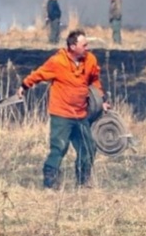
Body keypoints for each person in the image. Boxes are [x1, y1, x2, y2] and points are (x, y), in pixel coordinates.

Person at [16, 29, 107, 188]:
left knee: (89, 148)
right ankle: (50, 184)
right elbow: (39, 74)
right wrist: (24, 86)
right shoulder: (58, 62)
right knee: (59, 148)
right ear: (72, 46)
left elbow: (95, 81)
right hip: (61, 114)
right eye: (84, 45)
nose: (87, 47)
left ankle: (83, 183)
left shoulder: (90, 60)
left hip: (81, 115)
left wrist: (101, 101)